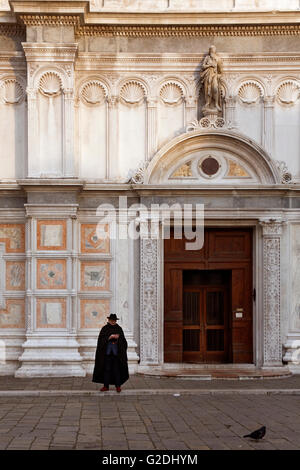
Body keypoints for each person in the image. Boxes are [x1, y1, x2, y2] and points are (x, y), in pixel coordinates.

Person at [92, 313, 129, 392]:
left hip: (117, 354)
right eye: (111, 320)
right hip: (107, 354)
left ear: (116, 321)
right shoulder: (104, 329)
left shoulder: (119, 328)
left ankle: (118, 386)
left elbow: (123, 341)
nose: (113, 321)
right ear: (108, 320)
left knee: (117, 370)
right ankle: (106, 386)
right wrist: (109, 337)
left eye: (114, 320)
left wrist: (118, 338)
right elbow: (100, 340)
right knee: (107, 370)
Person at [200, 45, 223, 112]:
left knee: (215, 88)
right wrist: (210, 65)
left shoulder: (217, 59)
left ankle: (216, 104)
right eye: (211, 49)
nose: (212, 51)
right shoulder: (207, 58)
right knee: (207, 90)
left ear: (215, 51)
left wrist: (219, 75)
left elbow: (220, 70)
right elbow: (203, 66)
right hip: (207, 76)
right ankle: (207, 103)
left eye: (213, 49)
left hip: (214, 76)